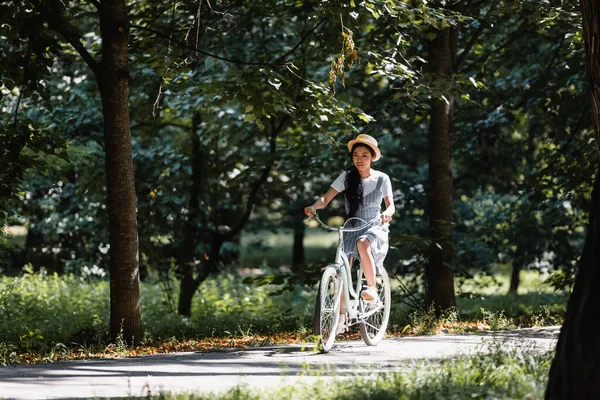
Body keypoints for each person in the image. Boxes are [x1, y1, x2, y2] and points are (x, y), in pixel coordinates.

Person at [304, 134, 395, 332]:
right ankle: (340, 318)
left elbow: (390, 206)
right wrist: (314, 206)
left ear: (372, 158)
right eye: (356, 155)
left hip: (374, 224)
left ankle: (371, 289)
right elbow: (325, 199)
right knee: (342, 269)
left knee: (363, 243)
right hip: (352, 225)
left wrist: (387, 214)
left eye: (364, 155)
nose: (359, 159)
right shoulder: (347, 176)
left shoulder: (382, 179)